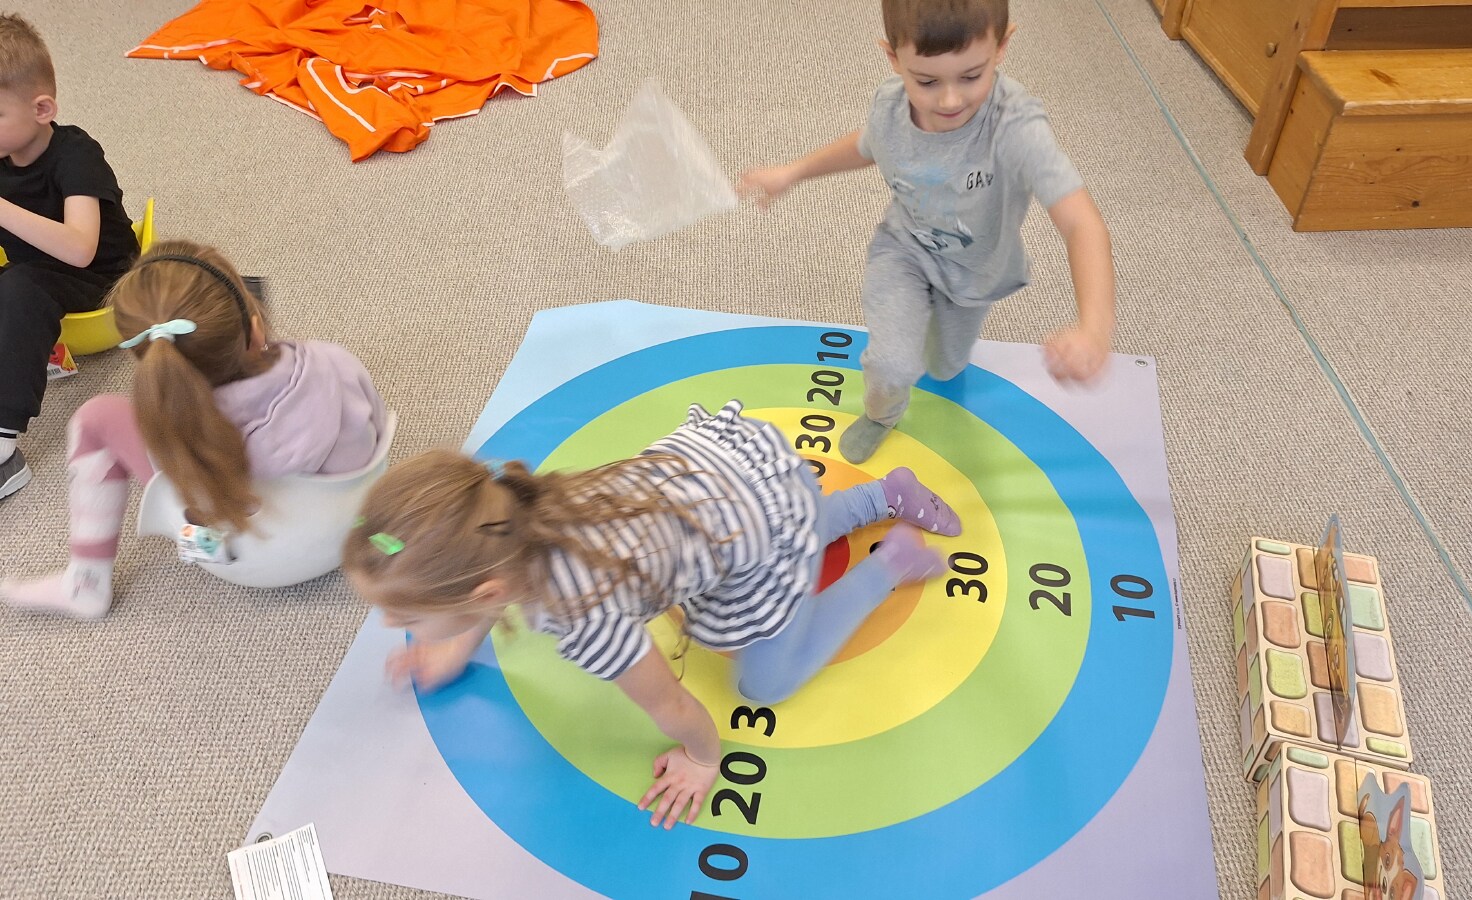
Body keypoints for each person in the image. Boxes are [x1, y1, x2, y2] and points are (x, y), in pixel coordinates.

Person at [343, 400, 961, 829]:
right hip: (737, 469)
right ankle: (885, 493)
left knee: (763, 684)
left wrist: (703, 758)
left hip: (760, 521)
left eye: (405, 616)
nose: (391, 625)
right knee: (778, 522)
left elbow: (671, 705)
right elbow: (486, 579)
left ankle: (892, 563)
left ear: (485, 592)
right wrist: (455, 645)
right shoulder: (516, 509)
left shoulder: (582, 617)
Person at [738, 0, 1116, 463]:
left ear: (1002, 47)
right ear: (893, 58)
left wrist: (1094, 328)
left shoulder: (1015, 126)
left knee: (945, 367)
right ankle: (881, 415)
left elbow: (1081, 222)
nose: (950, 100)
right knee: (892, 366)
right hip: (904, 250)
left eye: (971, 76)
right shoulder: (891, 106)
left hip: (976, 271)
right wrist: (793, 172)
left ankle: (942, 347)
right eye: (927, 82)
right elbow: (867, 145)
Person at [0, 240, 387, 618]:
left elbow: (190, 502)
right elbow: (378, 428)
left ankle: (86, 583)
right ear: (255, 328)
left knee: (96, 417)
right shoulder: (333, 361)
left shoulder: (177, 428)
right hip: (352, 526)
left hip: (245, 559)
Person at [0, 12, 141, 499]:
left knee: (19, 288)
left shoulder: (76, 153)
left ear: (41, 109)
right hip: (34, 271)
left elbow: (81, 249)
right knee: (18, 284)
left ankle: (3, 448)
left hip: (103, 282)